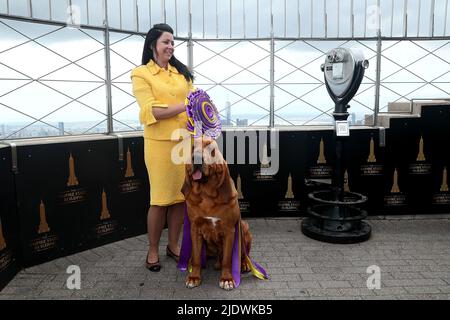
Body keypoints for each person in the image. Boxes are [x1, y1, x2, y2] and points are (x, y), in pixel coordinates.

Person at [131, 23, 194, 272]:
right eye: (165, 42)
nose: (170, 46)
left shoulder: (181, 73)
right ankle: (153, 249)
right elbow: (151, 111)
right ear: (152, 45)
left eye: (172, 42)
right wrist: (184, 105)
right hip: (158, 146)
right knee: (159, 200)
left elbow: (196, 101)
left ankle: (174, 245)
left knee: (180, 199)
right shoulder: (141, 74)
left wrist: (199, 109)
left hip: (185, 141)